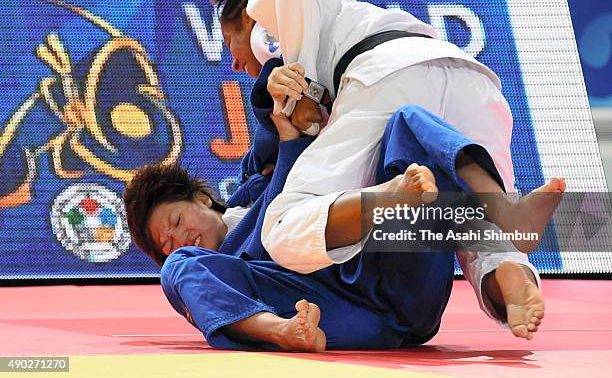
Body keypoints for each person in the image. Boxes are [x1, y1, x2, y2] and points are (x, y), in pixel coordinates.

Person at [206, 0, 565, 330]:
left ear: (246, 14)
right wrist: (299, 92)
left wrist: (298, 72)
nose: (236, 63)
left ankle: (391, 199)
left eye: (229, 41)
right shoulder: (334, 22)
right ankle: (511, 273)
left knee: (281, 227)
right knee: (468, 220)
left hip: (390, 76)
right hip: (474, 86)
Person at [124, 104, 548, 351]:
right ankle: (280, 332)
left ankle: (503, 216)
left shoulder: (254, 182)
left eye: (175, 222)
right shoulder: (223, 270)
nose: (177, 239)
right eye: (164, 242)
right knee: (180, 268)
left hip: (392, 267)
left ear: (202, 198)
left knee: (407, 120)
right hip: (332, 318)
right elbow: (187, 268)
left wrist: (285, 110)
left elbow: (275, 108)